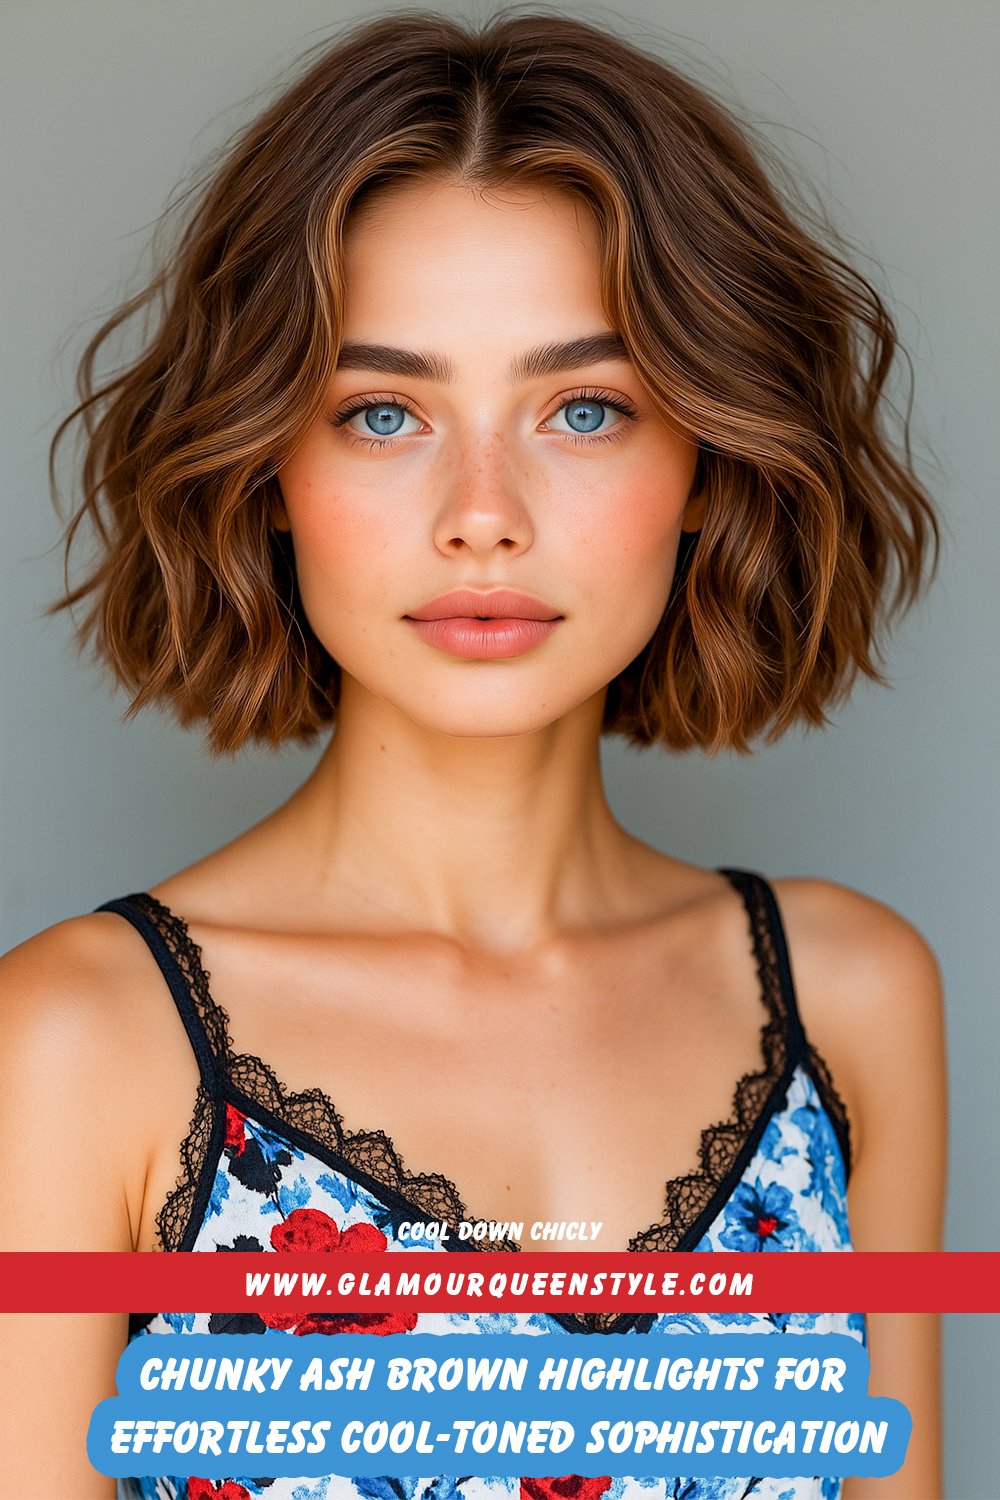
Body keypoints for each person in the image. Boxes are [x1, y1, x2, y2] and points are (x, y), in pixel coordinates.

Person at [0, 10, 946, 1500]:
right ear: (266, 470)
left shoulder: (848, 999)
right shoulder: (78, 1039)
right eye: (384, 413)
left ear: (707, 457)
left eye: (585, 408)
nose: (484, 513)